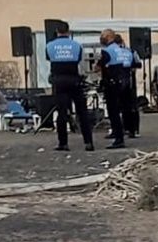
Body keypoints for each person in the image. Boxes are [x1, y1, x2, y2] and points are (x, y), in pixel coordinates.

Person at [45, 22, 94, 152]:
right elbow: (81, 65)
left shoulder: (49, 46)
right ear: (68, 31)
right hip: (74, 81)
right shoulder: (77, 46)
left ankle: (63, 143)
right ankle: (88, 142)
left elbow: (49, 60)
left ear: (56, 31)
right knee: (82, 112)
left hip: (59, 82)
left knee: (61, 113)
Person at [97, 28, 132, 149]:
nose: (102, 38)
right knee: (126, 109)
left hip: (112, 85)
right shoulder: (127, 52)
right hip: (126, 85)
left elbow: (99, 66)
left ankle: (118, 138)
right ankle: (129, 130)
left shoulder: (107, 51)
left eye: (103, 36)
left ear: (109, 37)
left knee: (113, 112)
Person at [118, 34, 142, 139]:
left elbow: (137, 64)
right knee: (130, 107)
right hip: (129, 82)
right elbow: (138, 63)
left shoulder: (128, 52)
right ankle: (132, 129)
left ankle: (129, 129)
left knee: (126, 107)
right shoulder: (131, 52)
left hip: (123, 82)